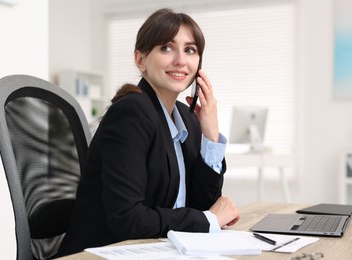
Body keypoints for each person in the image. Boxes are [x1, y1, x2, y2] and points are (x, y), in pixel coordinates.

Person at [57, 8, 240, 257]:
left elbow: (201, 206)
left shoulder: (187, 118)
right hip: (101, 253)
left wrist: (210, 136)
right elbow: (128, 218)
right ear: (141, 60)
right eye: (166, 47)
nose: (180, 60)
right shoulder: (131, 113)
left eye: (190, 50)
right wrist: (208, 220)